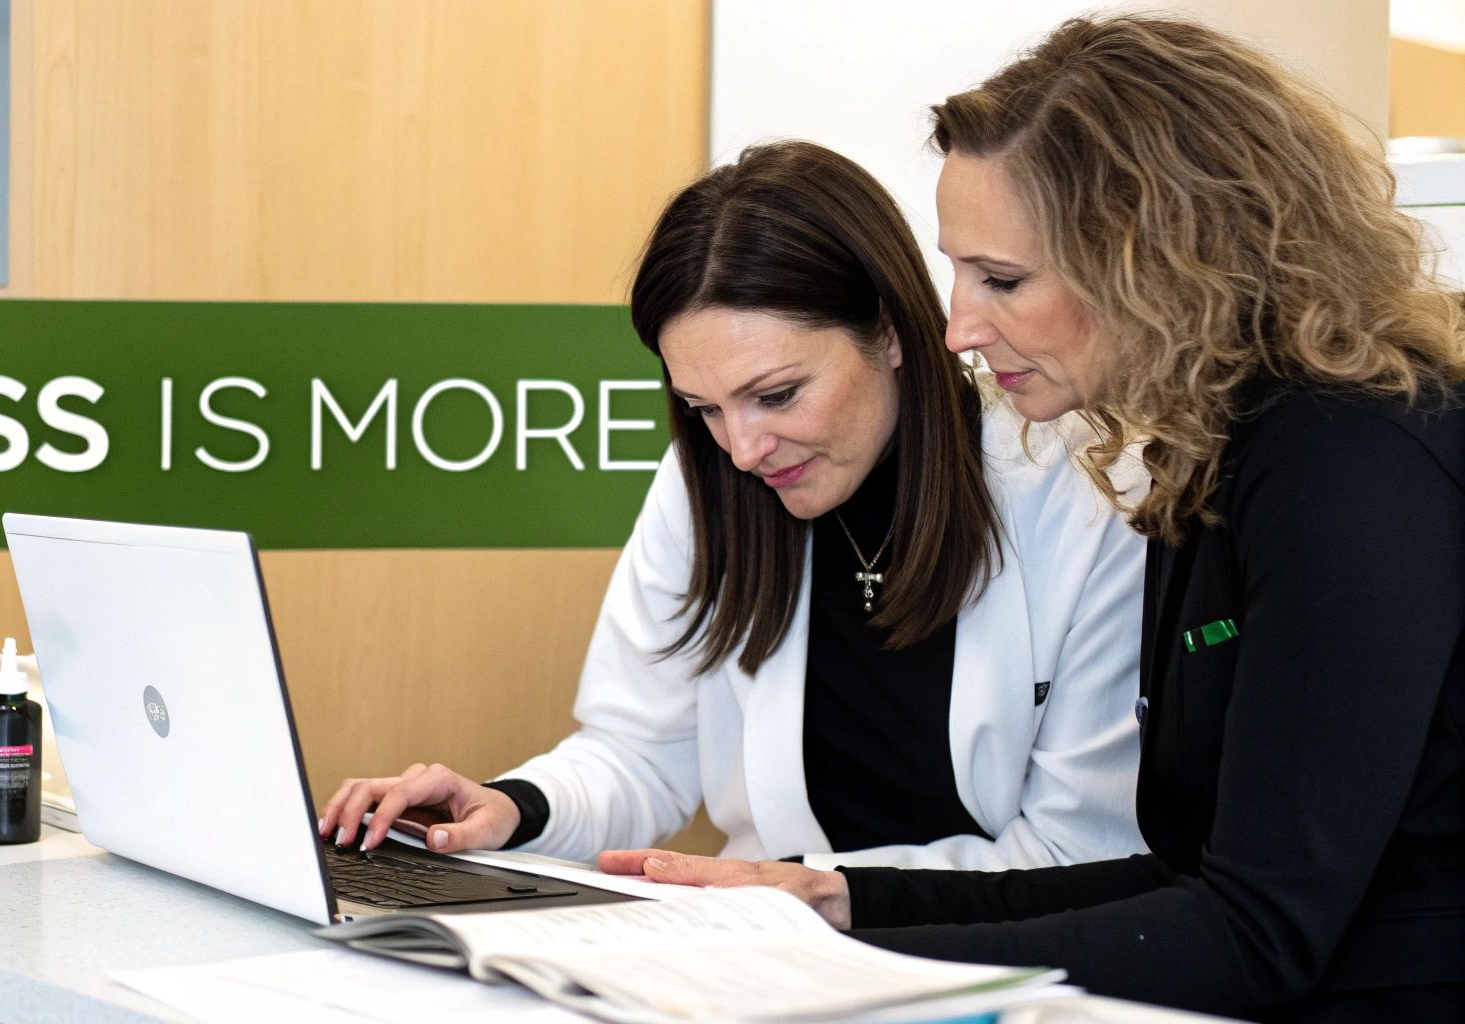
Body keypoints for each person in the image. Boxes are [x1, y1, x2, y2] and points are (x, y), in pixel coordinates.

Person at [599, 15, 1465, 1021]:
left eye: (1001, 279)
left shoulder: (1346, 459)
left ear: (1158, 255)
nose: (958, 326)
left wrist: (845, 960)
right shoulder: (1218, 452)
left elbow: (1255, 931)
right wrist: (832, 899)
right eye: (957, 272)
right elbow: (1184, 880)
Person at [320, 140, 1150, 875]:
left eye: (778, 394)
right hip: (762, 960)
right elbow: (639, 754)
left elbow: (1078, 852)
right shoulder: (708, 480)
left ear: (891, 332)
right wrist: (512, 808)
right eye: (706, 408)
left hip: (1002, 976)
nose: (745, 449)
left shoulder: (1087, 494)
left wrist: (818, 894)